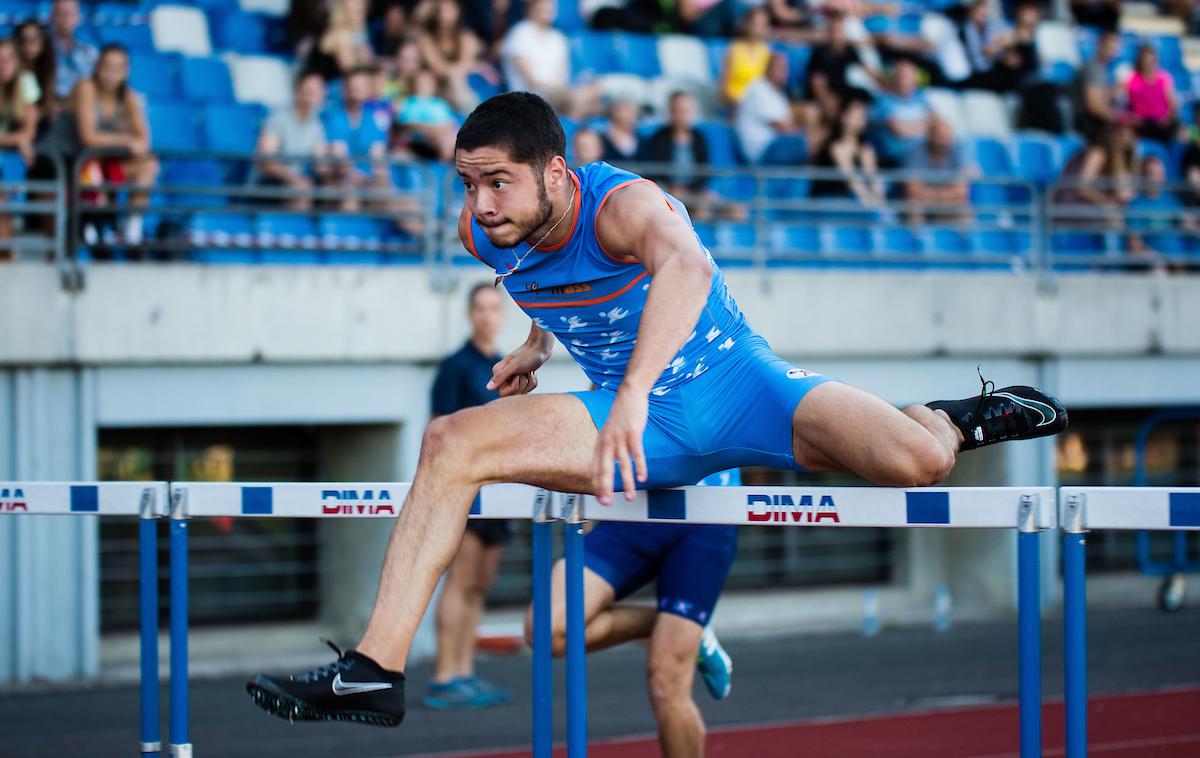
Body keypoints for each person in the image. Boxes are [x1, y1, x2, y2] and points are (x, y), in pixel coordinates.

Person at [246, 92, 1068, 728]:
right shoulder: (484, 231)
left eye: (499, 182)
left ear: (557, 174)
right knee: (450, 442)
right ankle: (376, 669)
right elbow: (545, 277)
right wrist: (538, 344)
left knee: (918, 464)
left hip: (740, 387)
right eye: (469, 183)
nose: (484, 203)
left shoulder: (624, 206)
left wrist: (636, 392)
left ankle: (960, 415)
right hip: (624, 414)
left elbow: (688, 269)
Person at [528, 470, 739, 756]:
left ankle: (681, 629)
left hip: (708, 514)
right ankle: (679, 628)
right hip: (633, 508)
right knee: (546, 631)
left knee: (666, 683)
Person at [423, 283, 515, 710]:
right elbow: (438, 430)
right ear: (469, 314)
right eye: (480, 308)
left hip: (499, 492)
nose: (487, 315)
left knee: (480, 583)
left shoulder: (505, 366)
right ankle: (445, 676)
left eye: (494, 308)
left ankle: (465, 671)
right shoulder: (455, 367)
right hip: (465, 494)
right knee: (459, 582)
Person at [501, 0, 600, 120]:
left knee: (596, 97)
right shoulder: (520, 32)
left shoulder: (558, 38)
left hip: (557, 93)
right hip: (529, 95)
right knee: (578, 99)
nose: (547, 11)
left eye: (550, 8)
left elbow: (563, 76)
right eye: (542, 8)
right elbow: (531, 80)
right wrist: (564, 90)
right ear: (531, 9)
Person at [252, 71, 331, 210]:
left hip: (300, 181)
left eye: (316, 91)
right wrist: (294, 179)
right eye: (308, 90)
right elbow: (267, 162)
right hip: (271, 182)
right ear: (297, 91)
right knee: (302, 190)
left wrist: (337, 171)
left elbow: (320, 163)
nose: (311, 95)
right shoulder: (278, 119)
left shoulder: (316, 125)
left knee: (340, 190)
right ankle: (297, 231)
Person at [322, 65, 392, 212]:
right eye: (353, 86)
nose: (357, 90)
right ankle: (350, 233)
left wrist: (377, 176)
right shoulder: (333, 116)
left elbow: (377, 155)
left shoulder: (373, 117)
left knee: (386, 191)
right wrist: (360, 176)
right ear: (345, 89)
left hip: (366, 179)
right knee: (350, 191)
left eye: (361, 86)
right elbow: (340, 158)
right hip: (340, 178)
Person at [1055, 123, 1136, 227]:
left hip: (1089, 205)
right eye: (1121, 134)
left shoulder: (1122, 158)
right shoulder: (1098, 152)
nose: (1126, 140)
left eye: (1131, 136)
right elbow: (1082, 189)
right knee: (1114, 217)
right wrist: (1108, 202)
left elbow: (1122, 190)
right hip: (1072, 205)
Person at [735, 52, 807, 166]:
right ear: (768, 68)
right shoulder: (758, 88)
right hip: (761, 152)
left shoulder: (778, 93)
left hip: (774, 145)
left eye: (785, 69)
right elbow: (782, 127)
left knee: (809, 140)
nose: (784, 73)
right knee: (808, 142)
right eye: (779, 68)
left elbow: (789, 125)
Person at [810, 98, 884, 206]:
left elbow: (873, 179)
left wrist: (880, 201)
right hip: (831, 202)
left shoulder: (866, 149)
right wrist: (869, 203)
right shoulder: (836, 147)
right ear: (843, 117)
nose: (862, 118)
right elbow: (852, 180)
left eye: (863, 115)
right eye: (857, 115)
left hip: (853, 201)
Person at [417, 0, 484, 113]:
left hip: (462, 83)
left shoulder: (466, 36)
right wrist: (453, 71)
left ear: (457, 12)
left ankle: (471, 113)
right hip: (438, 85)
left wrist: (454, 72)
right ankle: (473, 114)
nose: (442, 14)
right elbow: (437, 67)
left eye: (447, 10)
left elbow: (466, 65)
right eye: (440, 10)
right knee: (428, 79)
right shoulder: (426, 38)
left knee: (456, 78)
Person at [902, 117, 972, 224]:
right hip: (924, 203)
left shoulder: (956, 151)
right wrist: (945, 196)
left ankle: (963, 240)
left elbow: (961, 191)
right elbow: (912, 191)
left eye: (947, 137)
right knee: (914, 207)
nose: (944, 142)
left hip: (940, 201)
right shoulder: (915, 153)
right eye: (940, 137)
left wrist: (935, 197)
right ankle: (918, 239)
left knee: (965, 209)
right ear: (930, 136)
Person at [1126, 154, 1192, 266]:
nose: (1157, 178)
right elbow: (1134, 243)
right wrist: (1154, 257)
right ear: (1144, 176)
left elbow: (1188, 223)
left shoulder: (1172, 200)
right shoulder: (1136, 205)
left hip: (1179, 259)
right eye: (1152, 174)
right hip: (1155, 262)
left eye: (1159, 174)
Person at [873, 59, 932, 168]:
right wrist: (922, 126)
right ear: (894, 79)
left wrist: (908, 126)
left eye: (909, 77)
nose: (904, 81)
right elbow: (899, 130)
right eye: (902, 77)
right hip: (899, 158)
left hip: (925, 154)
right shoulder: (884, 100)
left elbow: (933, 123)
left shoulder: (921, 98)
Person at [394, 68, 458, 162]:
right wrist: (432, 130)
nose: (425, 86)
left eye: (428, 83)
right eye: (422, 83)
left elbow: (450, 125)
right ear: (415, 85)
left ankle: (444, 171)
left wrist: (437, 130)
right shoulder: (409, 103)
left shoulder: (440, 104)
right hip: (419, 140)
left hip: (441, 137)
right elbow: (408, 125)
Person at [1126, 44, 1179, 144]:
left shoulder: (1164, 78)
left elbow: (1174, 105)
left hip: (1163, 125)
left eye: (1151, 61)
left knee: (1183, 133)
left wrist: (1166, 119)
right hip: (1141, 125)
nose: (1148, 64)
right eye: (1145, 60)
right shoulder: (1131, 78)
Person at [1073, 30, 1121, 142]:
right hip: (1088, 125)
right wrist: (1117, 118)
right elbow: (1093, 106)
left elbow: (1101, 100)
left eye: (1114, 48)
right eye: (1109, 47)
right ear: (1100, 45)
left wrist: (1113, 91)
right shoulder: (1092, 68)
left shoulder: (1103, 70)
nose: (1112, 51)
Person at [719, 7, 771, 106]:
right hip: (735, 103)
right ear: (746, 24)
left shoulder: (766, 51)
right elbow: (723, 89)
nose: (757, 28)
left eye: (762, 25)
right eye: (754, 23)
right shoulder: (733, 49)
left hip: (757, 104)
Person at [313, 0, 376, 80]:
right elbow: (349, 70)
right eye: (353, 9)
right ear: (342, 10)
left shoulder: (360, 33)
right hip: (334, 87)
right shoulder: (341, 35)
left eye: (360, 6)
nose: (359, 9)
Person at [48, 0, 97, 102]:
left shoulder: (90, 52)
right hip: (52, 107)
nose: (65, 18)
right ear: (51, 16)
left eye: (69, 14)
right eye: (60, 13)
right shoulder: (41, 49)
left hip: (84, 105)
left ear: (78, 17)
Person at [15, 21, 56, 127]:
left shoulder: (47, 68)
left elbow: (49, 106)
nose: (28, 44)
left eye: (34, 39)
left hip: (40, 125)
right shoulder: (9, 69)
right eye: (23, 39)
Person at [599, 98, 640, 166]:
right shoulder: (601, 137)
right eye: (626, 111)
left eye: (632, 112)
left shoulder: (641, 139)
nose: (629, 117)